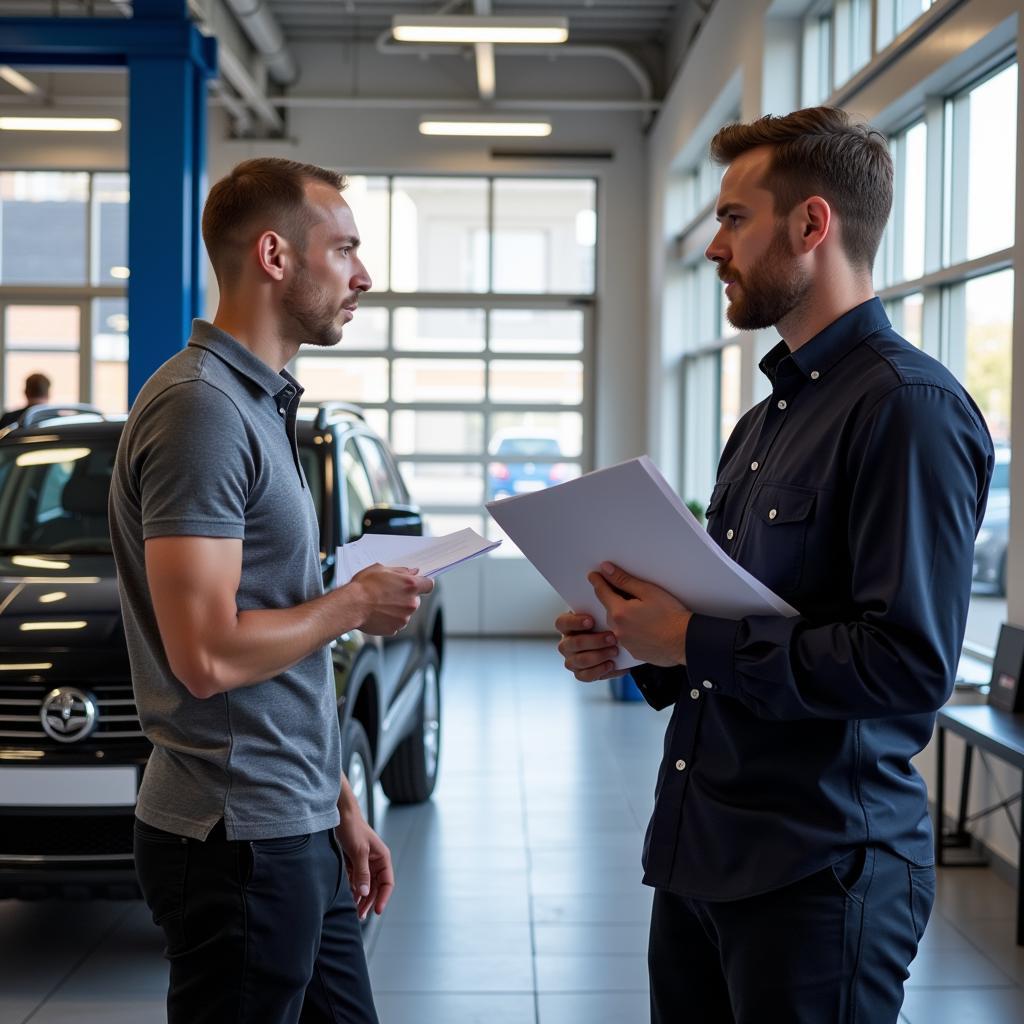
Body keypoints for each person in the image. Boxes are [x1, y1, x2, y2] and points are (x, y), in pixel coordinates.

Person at [555, 107, 993, 1023]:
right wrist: (638, 644)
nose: (714, 247)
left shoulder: (908, 409)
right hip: (703, 852)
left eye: (733, 218)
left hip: (819, 871)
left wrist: (692, 636)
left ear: (812, 225)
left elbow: (908, 668)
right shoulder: (764, 422)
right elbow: (738, 618)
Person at [109, 157, 434, 1024]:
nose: (362, 275)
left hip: (293, 818)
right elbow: (208, 655)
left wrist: (337, 802)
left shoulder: (259, 404)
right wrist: (354, 604)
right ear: (275, 256)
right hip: (235, 839)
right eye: (346, 250)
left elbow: (271, 629)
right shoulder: (203, 411)